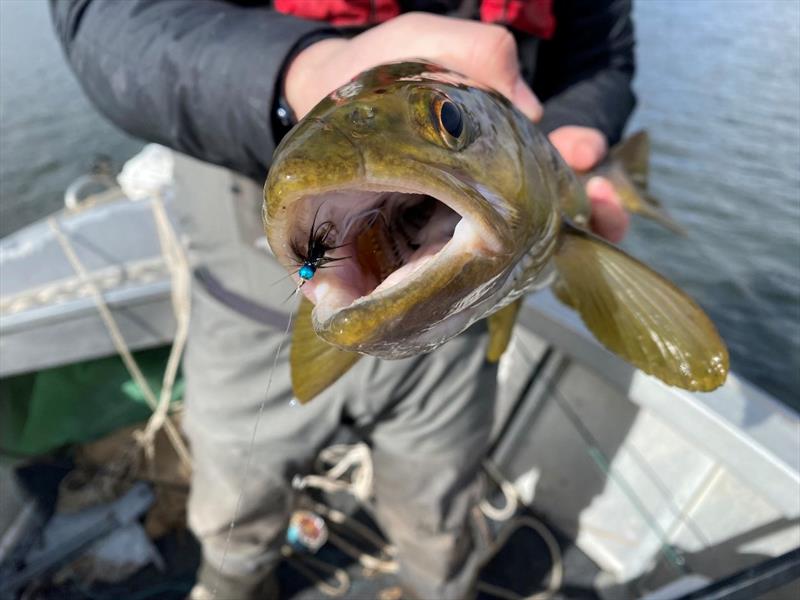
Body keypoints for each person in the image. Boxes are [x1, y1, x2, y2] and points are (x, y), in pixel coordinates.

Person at [51, 1, 636, 598]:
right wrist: (301, 72)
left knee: (436, 509)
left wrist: (572, 131)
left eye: (447, 122)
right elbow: (102, 17)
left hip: (464, 312)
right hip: (246, 303)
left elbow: (601, 57)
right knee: (233, 508)